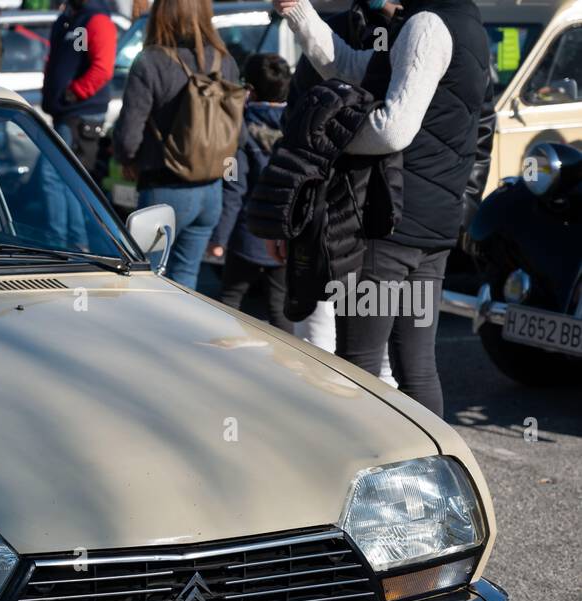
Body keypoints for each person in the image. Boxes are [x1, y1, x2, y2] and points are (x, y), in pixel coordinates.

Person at [274, 0, 490, 417]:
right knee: (418, 368)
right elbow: (358, 68)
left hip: (385, 222)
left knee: (358, 364)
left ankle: (359, 469)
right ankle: (428, 470)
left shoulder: (427, 25)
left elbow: (392, 129)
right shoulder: (469, 26)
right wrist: (302, 16)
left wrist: (328, 140)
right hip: (432, 229)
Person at [113, 0, 240, 289]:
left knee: (146, 283)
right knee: (185, 282)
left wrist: (127, 159)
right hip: (211, 190)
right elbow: (237, 132)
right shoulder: (225, 60)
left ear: (161, 13)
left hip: (165, 187)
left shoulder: (151, 61)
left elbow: (129, 134)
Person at [209, 53, 293, 331]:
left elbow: (234, 187)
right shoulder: (297, 125)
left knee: (229, 300)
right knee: (279, 308)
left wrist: (219, 238)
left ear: (250, 90)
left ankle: (219, 358)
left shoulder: (241, 130)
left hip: (248, 234)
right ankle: (288, 365)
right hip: (283, 233)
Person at [39, 0, 116, 249]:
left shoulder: (96, 19)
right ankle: (74, 244)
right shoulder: (70, 19)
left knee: (54, 174)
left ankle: (63, 243)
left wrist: (74, 92)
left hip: (80, 114)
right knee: (66, 177)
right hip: (66, 113)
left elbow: (103, 68)